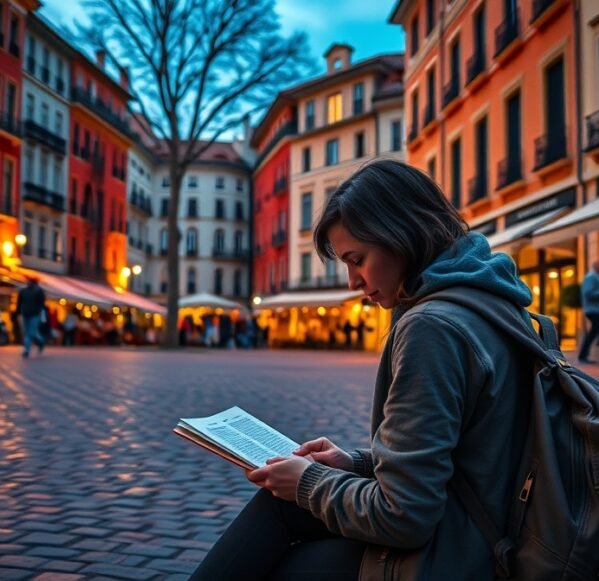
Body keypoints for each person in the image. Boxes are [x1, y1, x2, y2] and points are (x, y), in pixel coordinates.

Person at [192, 160, 537, 580]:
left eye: (358, 259)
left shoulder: (432, 327)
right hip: (492, 521)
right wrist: (353, 464)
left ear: (401, 235)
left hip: (463, 552)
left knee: (280, 554)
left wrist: (307, 482)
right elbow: (469, 452)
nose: (353, 281)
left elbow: (404, 516)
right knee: (281, 508)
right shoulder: (492, 301)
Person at [16, 276, 46, 358]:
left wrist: (18, 311)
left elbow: (41, 303)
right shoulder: (26, 291)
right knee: (30, 332)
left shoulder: (36, 291)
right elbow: (19, 303)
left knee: (30, 332)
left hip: (33, 314)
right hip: (29, 314)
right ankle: (38, 343)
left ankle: (28, 349)